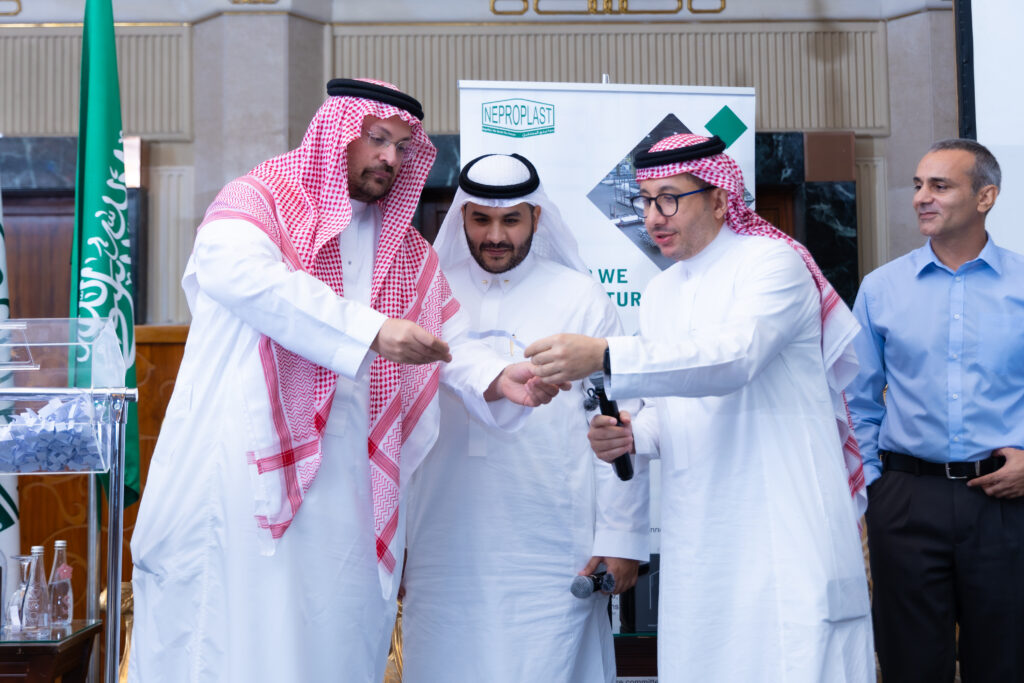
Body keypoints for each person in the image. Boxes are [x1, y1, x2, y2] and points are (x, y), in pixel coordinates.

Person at [128, 79, 561, 683]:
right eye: (377, 138)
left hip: (354, 481)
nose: (390, 157)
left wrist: (496, 376)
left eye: (403, 147)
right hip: (246, 469)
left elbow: (447, 343)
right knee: (242, 637)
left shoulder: (406, 249)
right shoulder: (257, 202)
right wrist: (372, 331)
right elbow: (247, 279)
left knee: (334, 635)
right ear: (336, 134)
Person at [524, 133, 874, 681]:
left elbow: (733, 357)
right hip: (703, 532)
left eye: (669, 199)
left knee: (791, 658)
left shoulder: (772, 263)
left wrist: (607, 354)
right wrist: (634, 435)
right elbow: (677, 410)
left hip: (781, 521)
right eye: (644, 200)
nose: (652, 217)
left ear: (717, 199)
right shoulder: (662, 293)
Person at [401, 153, 650, 683]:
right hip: (442, 539)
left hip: (552, 537)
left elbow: (618, 423)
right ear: (461, 216)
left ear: (536, 216)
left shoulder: (579, 297)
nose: (496, 236)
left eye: (511, 220)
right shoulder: (428, 293)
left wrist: (621, 537)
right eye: (481, 219)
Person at [847, 138, 1024, 682]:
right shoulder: (881, 288)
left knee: (1006, 663)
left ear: (985, 197)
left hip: (1007, 503)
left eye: (940, 186)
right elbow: (855, 399)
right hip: (906, 502)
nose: (922, 197)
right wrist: (876, 489)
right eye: (918, 185)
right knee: (909, 665)